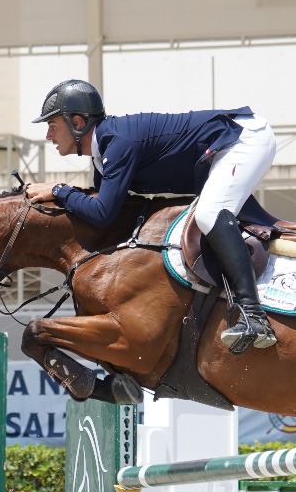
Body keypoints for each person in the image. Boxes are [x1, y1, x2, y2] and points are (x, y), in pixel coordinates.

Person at [24, 78, 279, 353]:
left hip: (243, 139)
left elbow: (102, 214)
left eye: (52, 126)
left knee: (209, 214)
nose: (49, 136)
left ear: (77, 123)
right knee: (207, 212)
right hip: (225, 147)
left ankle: (254, 316)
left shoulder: (117, 142)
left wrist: (60, 190)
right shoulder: (104, 153)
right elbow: (103, 210)